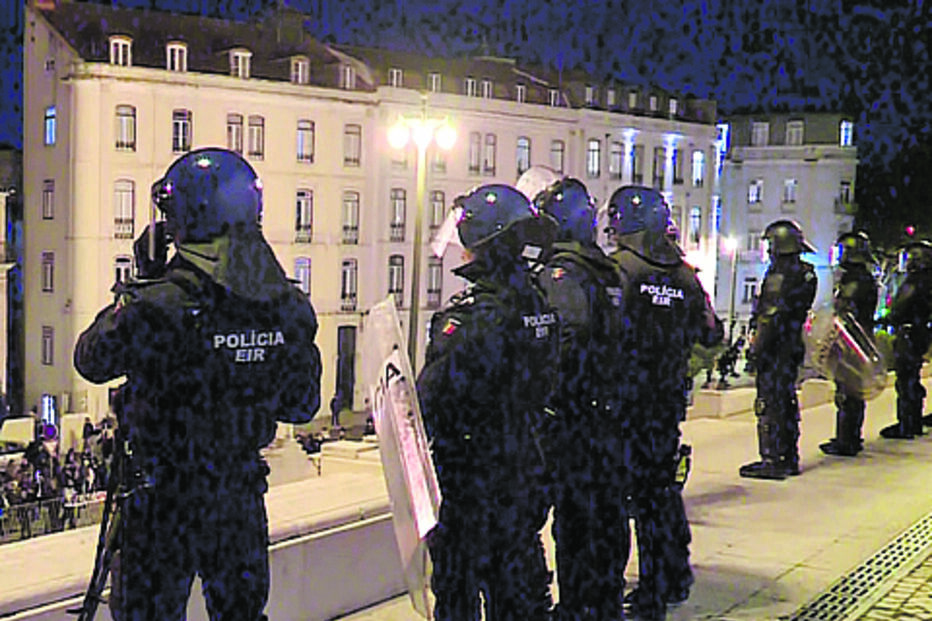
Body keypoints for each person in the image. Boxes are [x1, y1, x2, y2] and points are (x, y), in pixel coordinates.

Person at [73, 148, 322, 621]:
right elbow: (301, 405)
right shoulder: (286, 306)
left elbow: (90, 359)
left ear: (184, 220)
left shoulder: (158, 306)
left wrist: (143, 281)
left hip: (161, 504)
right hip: (239, 498)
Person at [417, 183, 559, 621]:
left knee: (458, 588)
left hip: (473, 477)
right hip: (525, 464)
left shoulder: (473, 317)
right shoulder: (538, 304)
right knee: (517, 588)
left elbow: (427, 403)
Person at [605, 186, 723, 620]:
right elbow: (712, 334)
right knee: (658, 494)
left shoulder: (619, 270)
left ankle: (635, 591)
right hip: (665, 402)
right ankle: (668, 579)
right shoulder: (686, 276)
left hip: (623, 404)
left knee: (619, 500)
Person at [516, 166, 628, 620]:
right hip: (604, 414)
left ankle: (578, 609)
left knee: (574, 521)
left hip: (571, 419)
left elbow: (569, 333)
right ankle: (602, 604)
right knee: (603, 518)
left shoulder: (562, 273)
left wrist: (541, 390)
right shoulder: (606, 270)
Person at [740, 219, 817, 480]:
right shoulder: (806, 273)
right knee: (786, 400)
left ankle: (772, 459)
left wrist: (756, 350)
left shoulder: (779, 275)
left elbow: (770, 316)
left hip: (775, 347)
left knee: (769, 403)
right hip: (792, 343)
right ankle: (788, 456)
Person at [820, 231, 879, 456]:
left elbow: (845, 311)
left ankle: (847, 440)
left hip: (851, 342)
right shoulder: (864, 278)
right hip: (860, 339)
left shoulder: (855, 281)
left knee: (848, 393)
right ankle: (850, 436)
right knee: (852, 392)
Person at [879, 239, 932, 439]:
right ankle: (914, 421)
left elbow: (901, 307)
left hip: (909, 333)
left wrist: (887, 319)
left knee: (906, 380)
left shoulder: (915, 281)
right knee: (912, 378)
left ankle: (907, 423)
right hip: (921, 332)